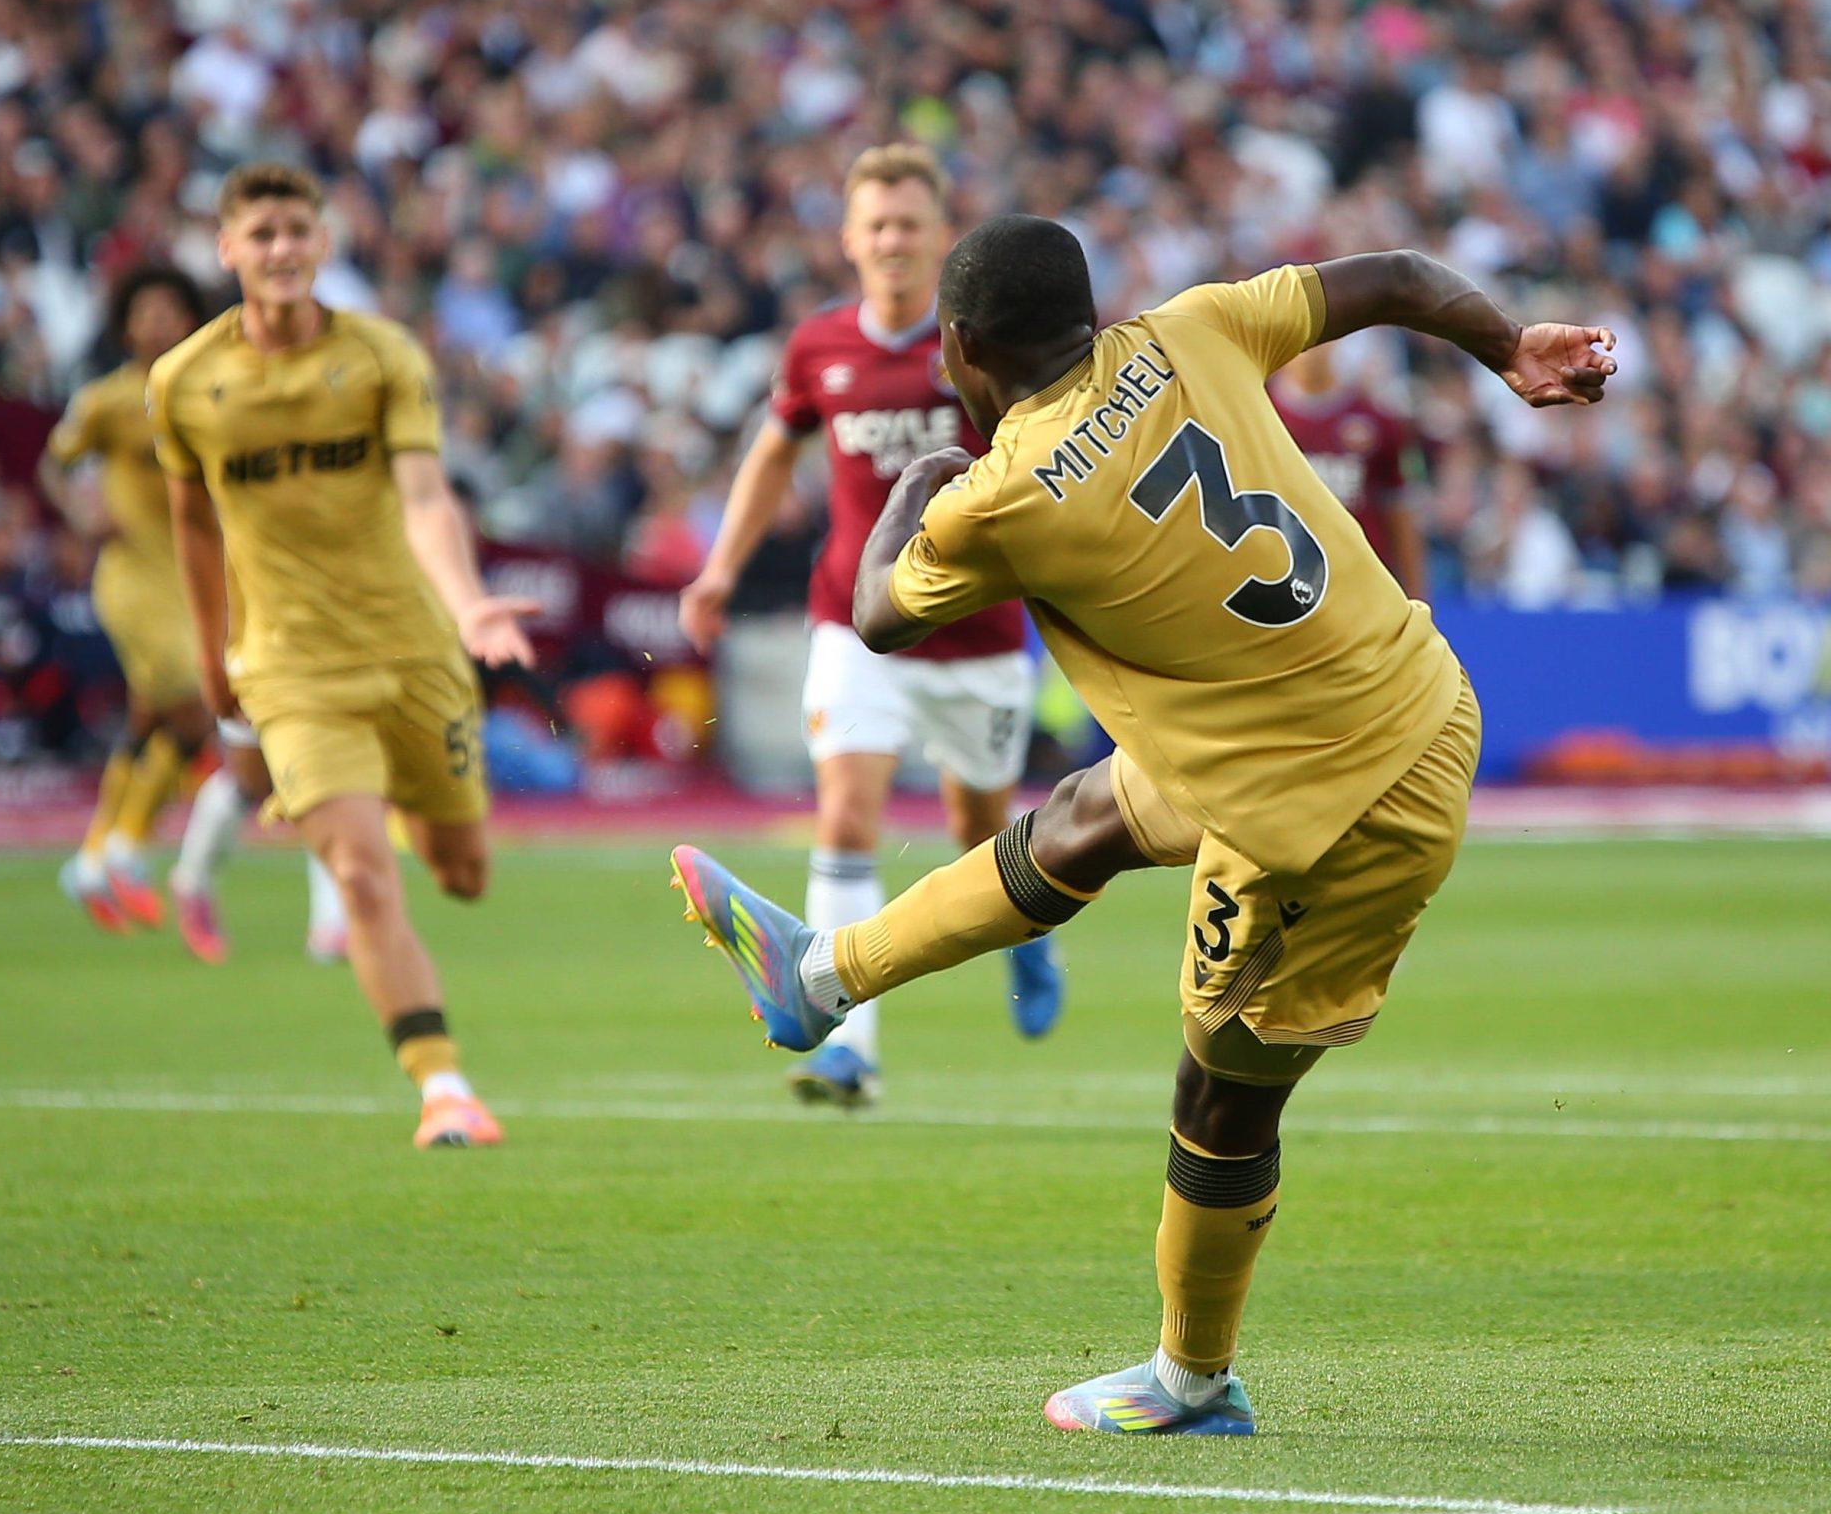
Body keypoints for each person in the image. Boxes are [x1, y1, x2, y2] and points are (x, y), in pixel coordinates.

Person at [671, 223, 1615, 1434]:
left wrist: (909, 489)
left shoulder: (998, 499)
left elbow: (873, 612)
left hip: (1333, 814)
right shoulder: (1192, 328)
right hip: (1400, 694)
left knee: (1223, 1089)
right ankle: (820, 977)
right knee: (1085, 814)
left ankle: (1191, 1378)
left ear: (959, 347)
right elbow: (1386, 276)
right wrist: (1507, 344)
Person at [154, 164, 538, 1148]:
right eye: (261, 233)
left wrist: (465, 603)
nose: (280, 249)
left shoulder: (379, 356)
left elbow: (422, 494)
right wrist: (212, 660)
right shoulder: (185, 383)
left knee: (462, 871)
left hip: (413, 655)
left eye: (296, 230)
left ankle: (407, 803)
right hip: (290, 672)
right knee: (364, 876)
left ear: (324, 241)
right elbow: (192, 529)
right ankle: (441, 1085)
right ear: (227, 248)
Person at [678, 145, 1062, 1110]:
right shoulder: (817, 349)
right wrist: (719, 570)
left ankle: (1033, 936)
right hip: (856, 623)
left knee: (983, 830)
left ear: (942, 236)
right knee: (847, 810)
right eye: (876, 224)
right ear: (849, 239)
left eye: (909, 224)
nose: (892, 240)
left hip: (975, 632)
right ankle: (847, 1044)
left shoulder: (977, 345)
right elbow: (772, 458)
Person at [39, 264, 346, 962]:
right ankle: (125, 852)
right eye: (144, 312)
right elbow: (54, 465)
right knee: (194, 711)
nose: (158, 324)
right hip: (139, 579)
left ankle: (99, 856)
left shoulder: (227, 395)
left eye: (169, 312)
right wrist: (80, 511)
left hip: (226, 588)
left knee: (170, 722)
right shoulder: (109, 402)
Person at [1269, 337, 1427, 597]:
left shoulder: (1378, 420)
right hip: (1283, 584)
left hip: (1360, 587)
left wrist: (1418, 598)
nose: (1308, 349)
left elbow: (1401, 515)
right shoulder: (1256, 413)